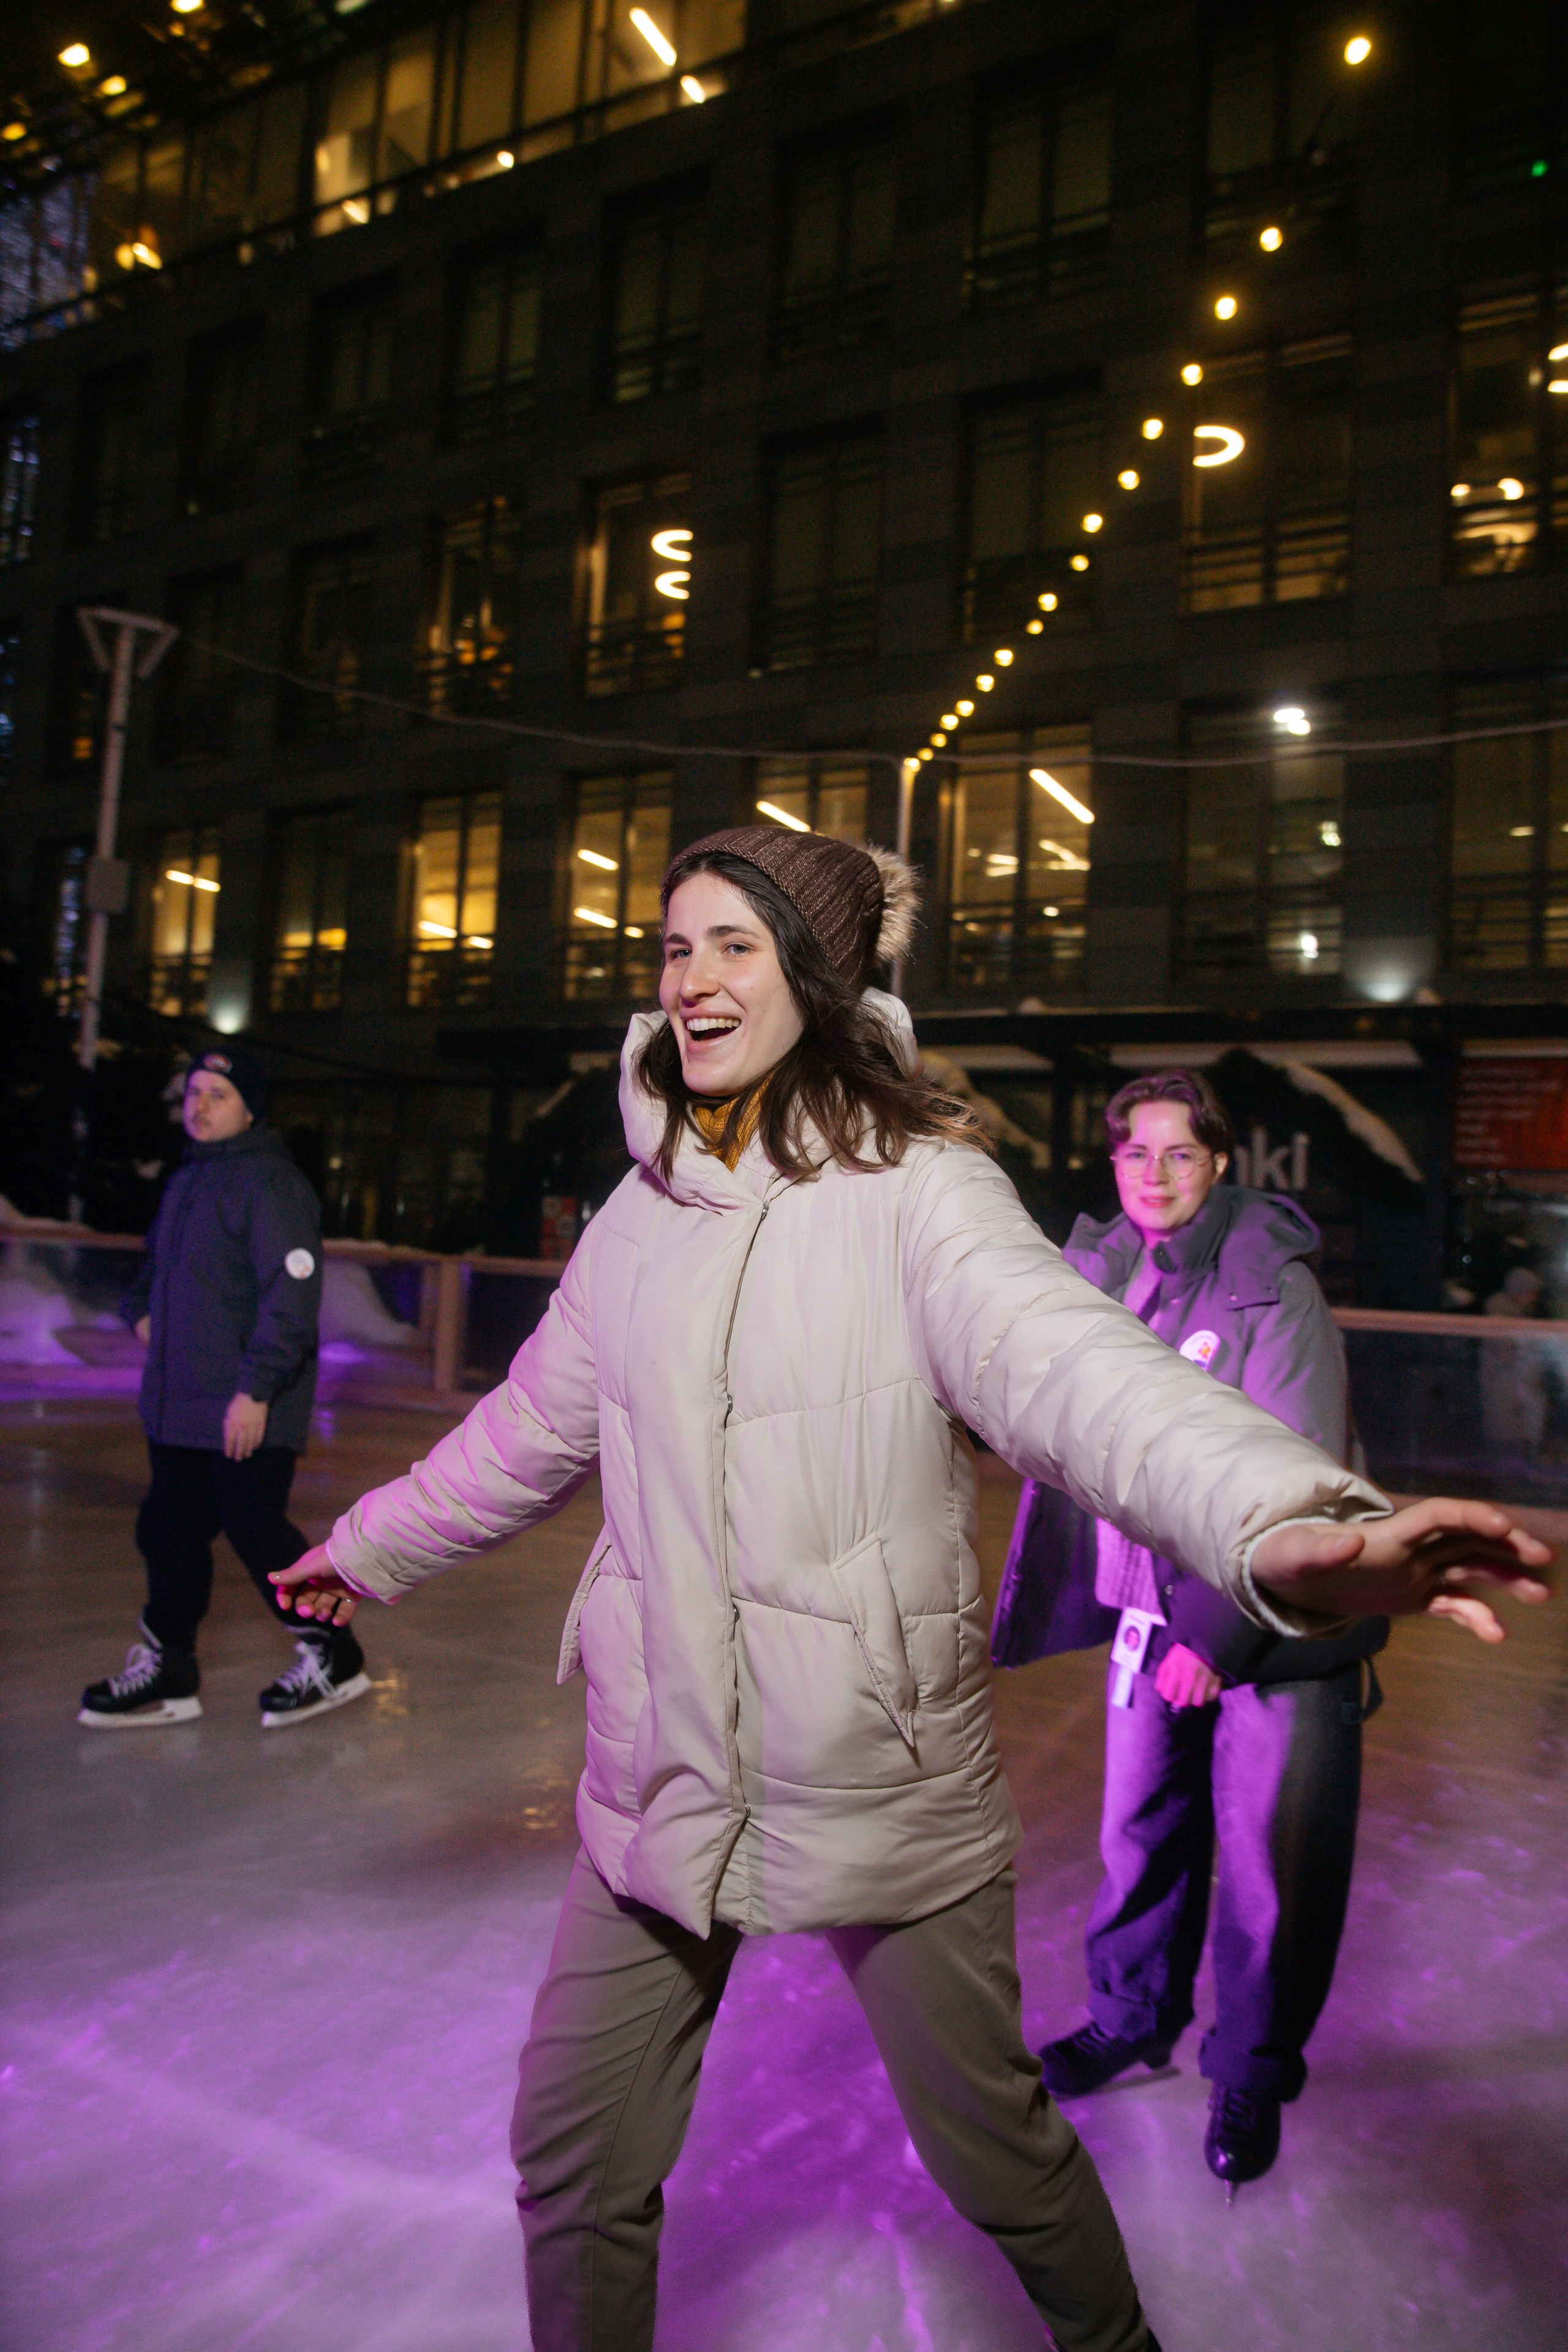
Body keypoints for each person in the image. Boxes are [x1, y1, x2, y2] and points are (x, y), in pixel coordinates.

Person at [271, 831, 1548, 2352]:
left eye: (733, 943)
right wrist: (368, 1544)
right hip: (660, 1769)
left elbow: (1086, 1380)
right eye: (673, 947)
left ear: (814, 972)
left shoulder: (922, 1193)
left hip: (875, 1772)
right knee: (571, 2153)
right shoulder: (638, 1218)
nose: (690, 978)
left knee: (994, 2155)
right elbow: (526, 1428)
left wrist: (1287, 1520)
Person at [1009, 1071, 1386, 2193]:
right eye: (1136, 1156)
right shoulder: (1108, 1281)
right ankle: (1131, 2016)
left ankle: (1251, 2064)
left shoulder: (1273, 1289)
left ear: (1220, 1163)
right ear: (1113, 1164)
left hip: (1270, 1627)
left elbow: (1299, 1478)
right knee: (1137, 1835)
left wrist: (1216, 1636)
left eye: (1181, 1155)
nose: (1156, 1177)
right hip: (1146, 1611)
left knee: (1270, 1866)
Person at [79, 1044, 370, 1731]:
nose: (199, 1105)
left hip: (244, 1405)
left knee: (256, 1532)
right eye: (194, 1092)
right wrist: (143, 1314)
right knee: (169, 1533)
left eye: (217, 1094)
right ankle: (171, 1667)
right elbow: (153, 1270)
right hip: (179, 1405)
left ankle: (335, 1653)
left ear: (249, 1109)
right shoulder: (189, 1181)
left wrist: (257, 1391)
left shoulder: (270, 1184)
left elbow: (291, 1298)